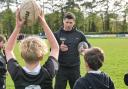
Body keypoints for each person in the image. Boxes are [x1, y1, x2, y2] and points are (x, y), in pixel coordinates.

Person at [5, 8, 59, 89]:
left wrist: (18, 27)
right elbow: (55, 48)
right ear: (41, 56)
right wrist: (43, 23)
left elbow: (8, 49)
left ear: (22, 56)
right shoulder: (48, 72)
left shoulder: (16, 73)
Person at [54, 12, 91, 89]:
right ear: (63, 21)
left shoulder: (79, 34)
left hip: (75, 68)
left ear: (74, 22)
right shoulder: (57, 34)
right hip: (61, 68)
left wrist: (84, 49)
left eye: (71, 22)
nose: (68, 24)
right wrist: (59, 48)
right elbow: (52, 50)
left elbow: (89, 46)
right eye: (67, 22)